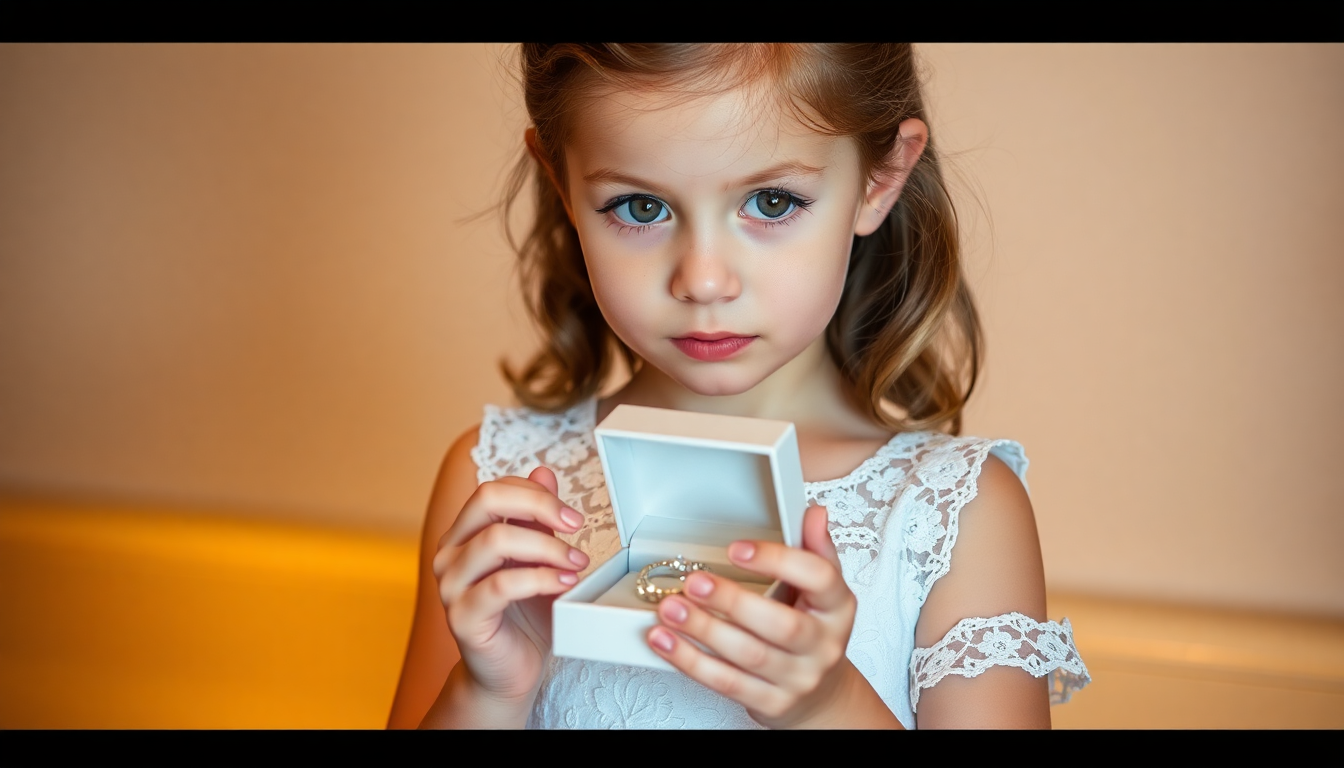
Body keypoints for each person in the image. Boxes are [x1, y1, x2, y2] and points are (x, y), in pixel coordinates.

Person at [388, 43, 1090, 730]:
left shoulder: (958, 515)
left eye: (773, 200)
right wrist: (488, 693)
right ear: (561, 185)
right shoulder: (496, 483)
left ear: (880, 179)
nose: (703, 280)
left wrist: (827, 704)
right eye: (639, 208)